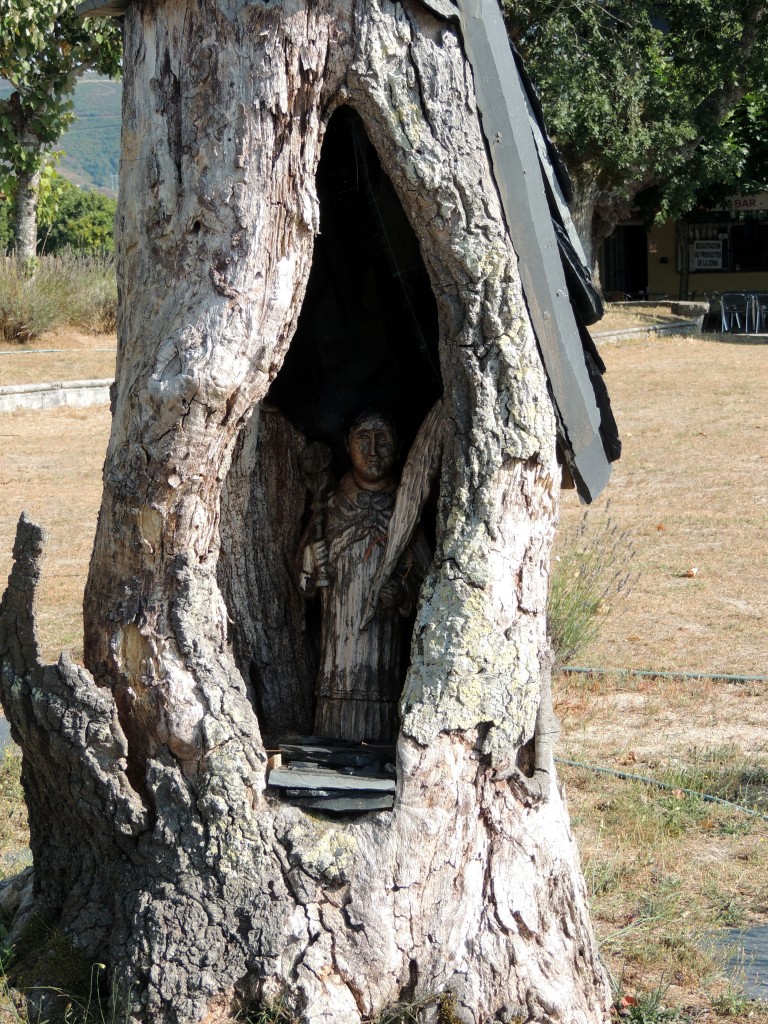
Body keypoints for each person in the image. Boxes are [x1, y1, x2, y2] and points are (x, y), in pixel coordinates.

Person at [299, 411, 428, 742]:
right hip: (336, 652)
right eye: (363, 439)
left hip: (383, 659)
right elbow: (302, 581)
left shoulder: (405, 509)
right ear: (347, 445)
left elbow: (427, 579)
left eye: (382, 439)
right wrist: (311, 562)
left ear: (398, 448)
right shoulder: (330, 505)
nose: (373, 450)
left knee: (377, 726)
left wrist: (402, 595)